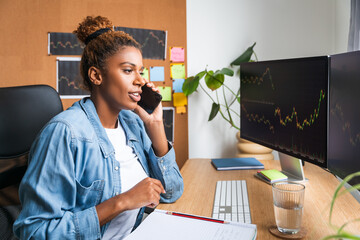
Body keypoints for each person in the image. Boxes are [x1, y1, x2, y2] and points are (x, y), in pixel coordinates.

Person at [13, 16, 184, 240]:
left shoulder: (132, 123)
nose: (140, 81)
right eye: (127, 70)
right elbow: (33, 232)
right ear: (96, 75)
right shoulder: (65, 133)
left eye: (140, 72)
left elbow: (171, 193)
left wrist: (156, 125)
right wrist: (122, 202)